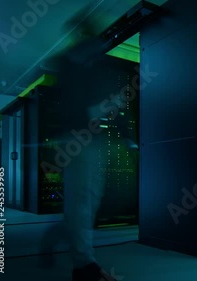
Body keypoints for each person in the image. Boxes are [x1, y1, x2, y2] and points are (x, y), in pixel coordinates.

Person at [39, 8, 118, 281]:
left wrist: (111, 107)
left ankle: (59, 234)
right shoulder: (72, 60)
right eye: (88, 28)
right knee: (83, 201)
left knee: (88, 201)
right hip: (77, 139)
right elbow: (74, 103)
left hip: (91, 139)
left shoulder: (92, 61)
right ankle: (84, 266)